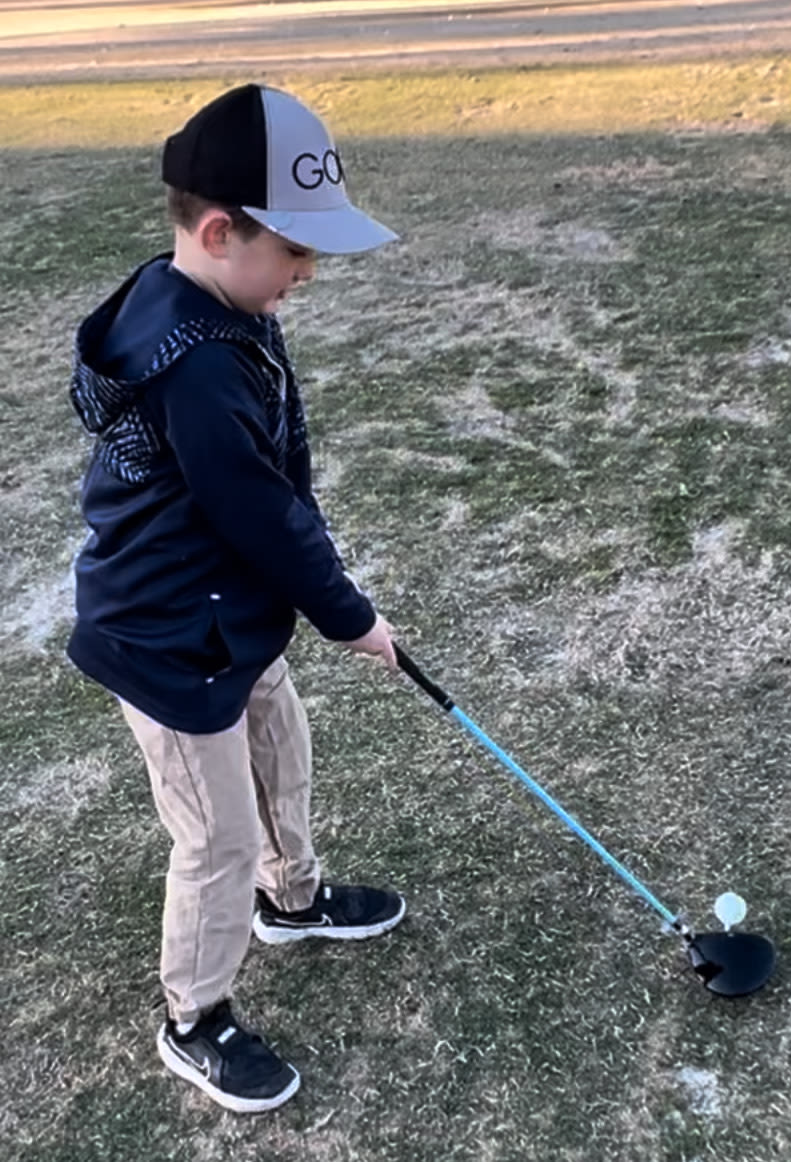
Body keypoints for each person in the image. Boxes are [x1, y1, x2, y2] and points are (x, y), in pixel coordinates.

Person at [67, 83, 405, 1114]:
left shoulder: (221, 302)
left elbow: (271, 492)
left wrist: (314, 596)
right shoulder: (199, 367)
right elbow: (260, 511)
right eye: (294, 250)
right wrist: (351, 616)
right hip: (166, 639)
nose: (308, 272)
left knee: (279, 745)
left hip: (228, 614)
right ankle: (194, 1015)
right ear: (219, 233)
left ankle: (290, 898)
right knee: (213, 834)